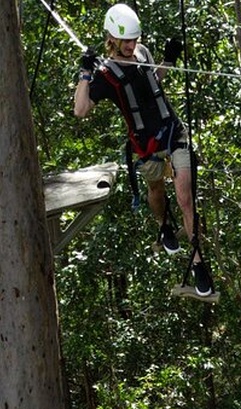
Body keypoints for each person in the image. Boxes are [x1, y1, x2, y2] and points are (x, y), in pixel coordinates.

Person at [74, 3, 214, 297]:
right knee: (157, 191)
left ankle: (199, 263)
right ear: (112, 38)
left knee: (186, 199)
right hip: (146, 144)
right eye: (125, 41)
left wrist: (169, 60)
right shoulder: (105, 75)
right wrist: (85, 74)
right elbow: (81, 109)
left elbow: (154, 79)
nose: (131, 45)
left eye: (134, 40)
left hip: (173, 130)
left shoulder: (143, 53)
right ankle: (163, 226)